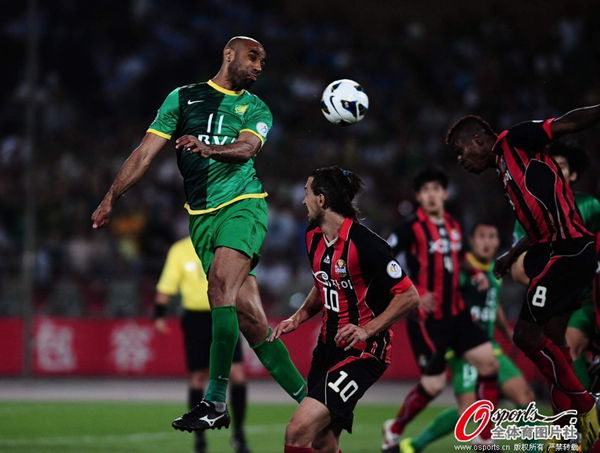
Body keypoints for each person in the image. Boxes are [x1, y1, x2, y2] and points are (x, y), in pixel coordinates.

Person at [91, 36, 306, 432]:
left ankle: (214, 401)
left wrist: (206, 148)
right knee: (252, 321)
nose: (259, 65)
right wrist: (111, 197)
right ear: (228, 54)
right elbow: (143, 154)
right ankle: (312, 401)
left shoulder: (256, 107)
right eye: (253, 56)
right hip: (201, 218)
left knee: (218, 288)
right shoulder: (183, 98)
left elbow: (245, 149)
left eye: (264, 60)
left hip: (243, 204)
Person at [445, 104, 600, 451]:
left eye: (461, 150)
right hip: (564, 252)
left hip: (566, 251)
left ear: (477, 139)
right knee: (555, 342)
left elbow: (565, 124)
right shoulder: (504, 169)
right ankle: (566, 434)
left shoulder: (515, 139)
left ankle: (585, 403)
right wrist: (511, 255)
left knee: (526, 337)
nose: (460, 159)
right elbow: (536, 223)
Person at [270, 166, 420, 453]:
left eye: (306, 193)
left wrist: (367, 329)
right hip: (327, 349)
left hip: (363, 352)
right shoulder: (313, 236)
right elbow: (324, 284)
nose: (303, 201)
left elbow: (409, 295)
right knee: (323, 442)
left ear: (322, 200)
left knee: (297, 429)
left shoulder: (367, 244)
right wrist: (298, 317)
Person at [381, 168, 500, 453]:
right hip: (427, 320)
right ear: (419, 196)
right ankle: (395, 427)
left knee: (489, 364)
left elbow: (459, 259)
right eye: (425, 190)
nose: (432, 195)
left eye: (436, 189)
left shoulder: (454, 225)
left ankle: (483, 437)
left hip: (457, 313)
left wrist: (476, 274)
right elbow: (384, 260)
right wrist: (415, 292)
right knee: (433, 387)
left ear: (445, 194)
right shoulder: (409, 229)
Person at [400, 221, 535, 452]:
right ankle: (413, 443)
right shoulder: (459, 270)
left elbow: (494, 306)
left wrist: (508, 332)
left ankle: (534, 449)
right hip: (465, 351)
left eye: (492, 236)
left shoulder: (494, 270)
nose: (487, 242)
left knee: (525, 397)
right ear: (472, 241)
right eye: (481, 236)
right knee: (470, 409)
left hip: (491, 348)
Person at [510, 143, 600, 390]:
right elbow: (518, 269)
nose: (555, 173)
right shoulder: (530, 211)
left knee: (567, 346)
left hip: (588, 299)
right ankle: (575, 417)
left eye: (561, 167)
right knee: (561, 353)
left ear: (573, 175)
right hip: (552, 299)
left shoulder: (590, 206)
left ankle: (582, 412)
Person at [154, 236, 250, 453]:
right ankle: (199, 439)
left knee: (238, 375)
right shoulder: (179, 250)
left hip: (224, 313)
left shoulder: (226, 243)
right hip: (196, 318)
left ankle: (239, 434)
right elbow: (167, 284)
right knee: (197, 377)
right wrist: (159, 314)